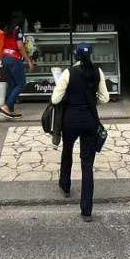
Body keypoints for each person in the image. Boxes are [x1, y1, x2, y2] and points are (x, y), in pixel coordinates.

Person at [51, 42, 110, 221]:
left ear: (75, 56)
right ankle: (86, 210)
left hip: (70, 121)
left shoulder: (68, 73)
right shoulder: (98, 72)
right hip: (90, 122)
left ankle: (65, 185)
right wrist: (92, 101)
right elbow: (105, 98)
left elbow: (55, 99)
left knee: (67, 152)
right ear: (90, 55)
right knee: (87, 164)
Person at [0, 10, 34, 119]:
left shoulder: (7, 29)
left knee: (12, 84)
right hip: (14, 59)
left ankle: (10, 110)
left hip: (6, 58)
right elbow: (20, 46)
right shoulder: (18, 30)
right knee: (21, 84)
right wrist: (28, 60)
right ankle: (6, 107)